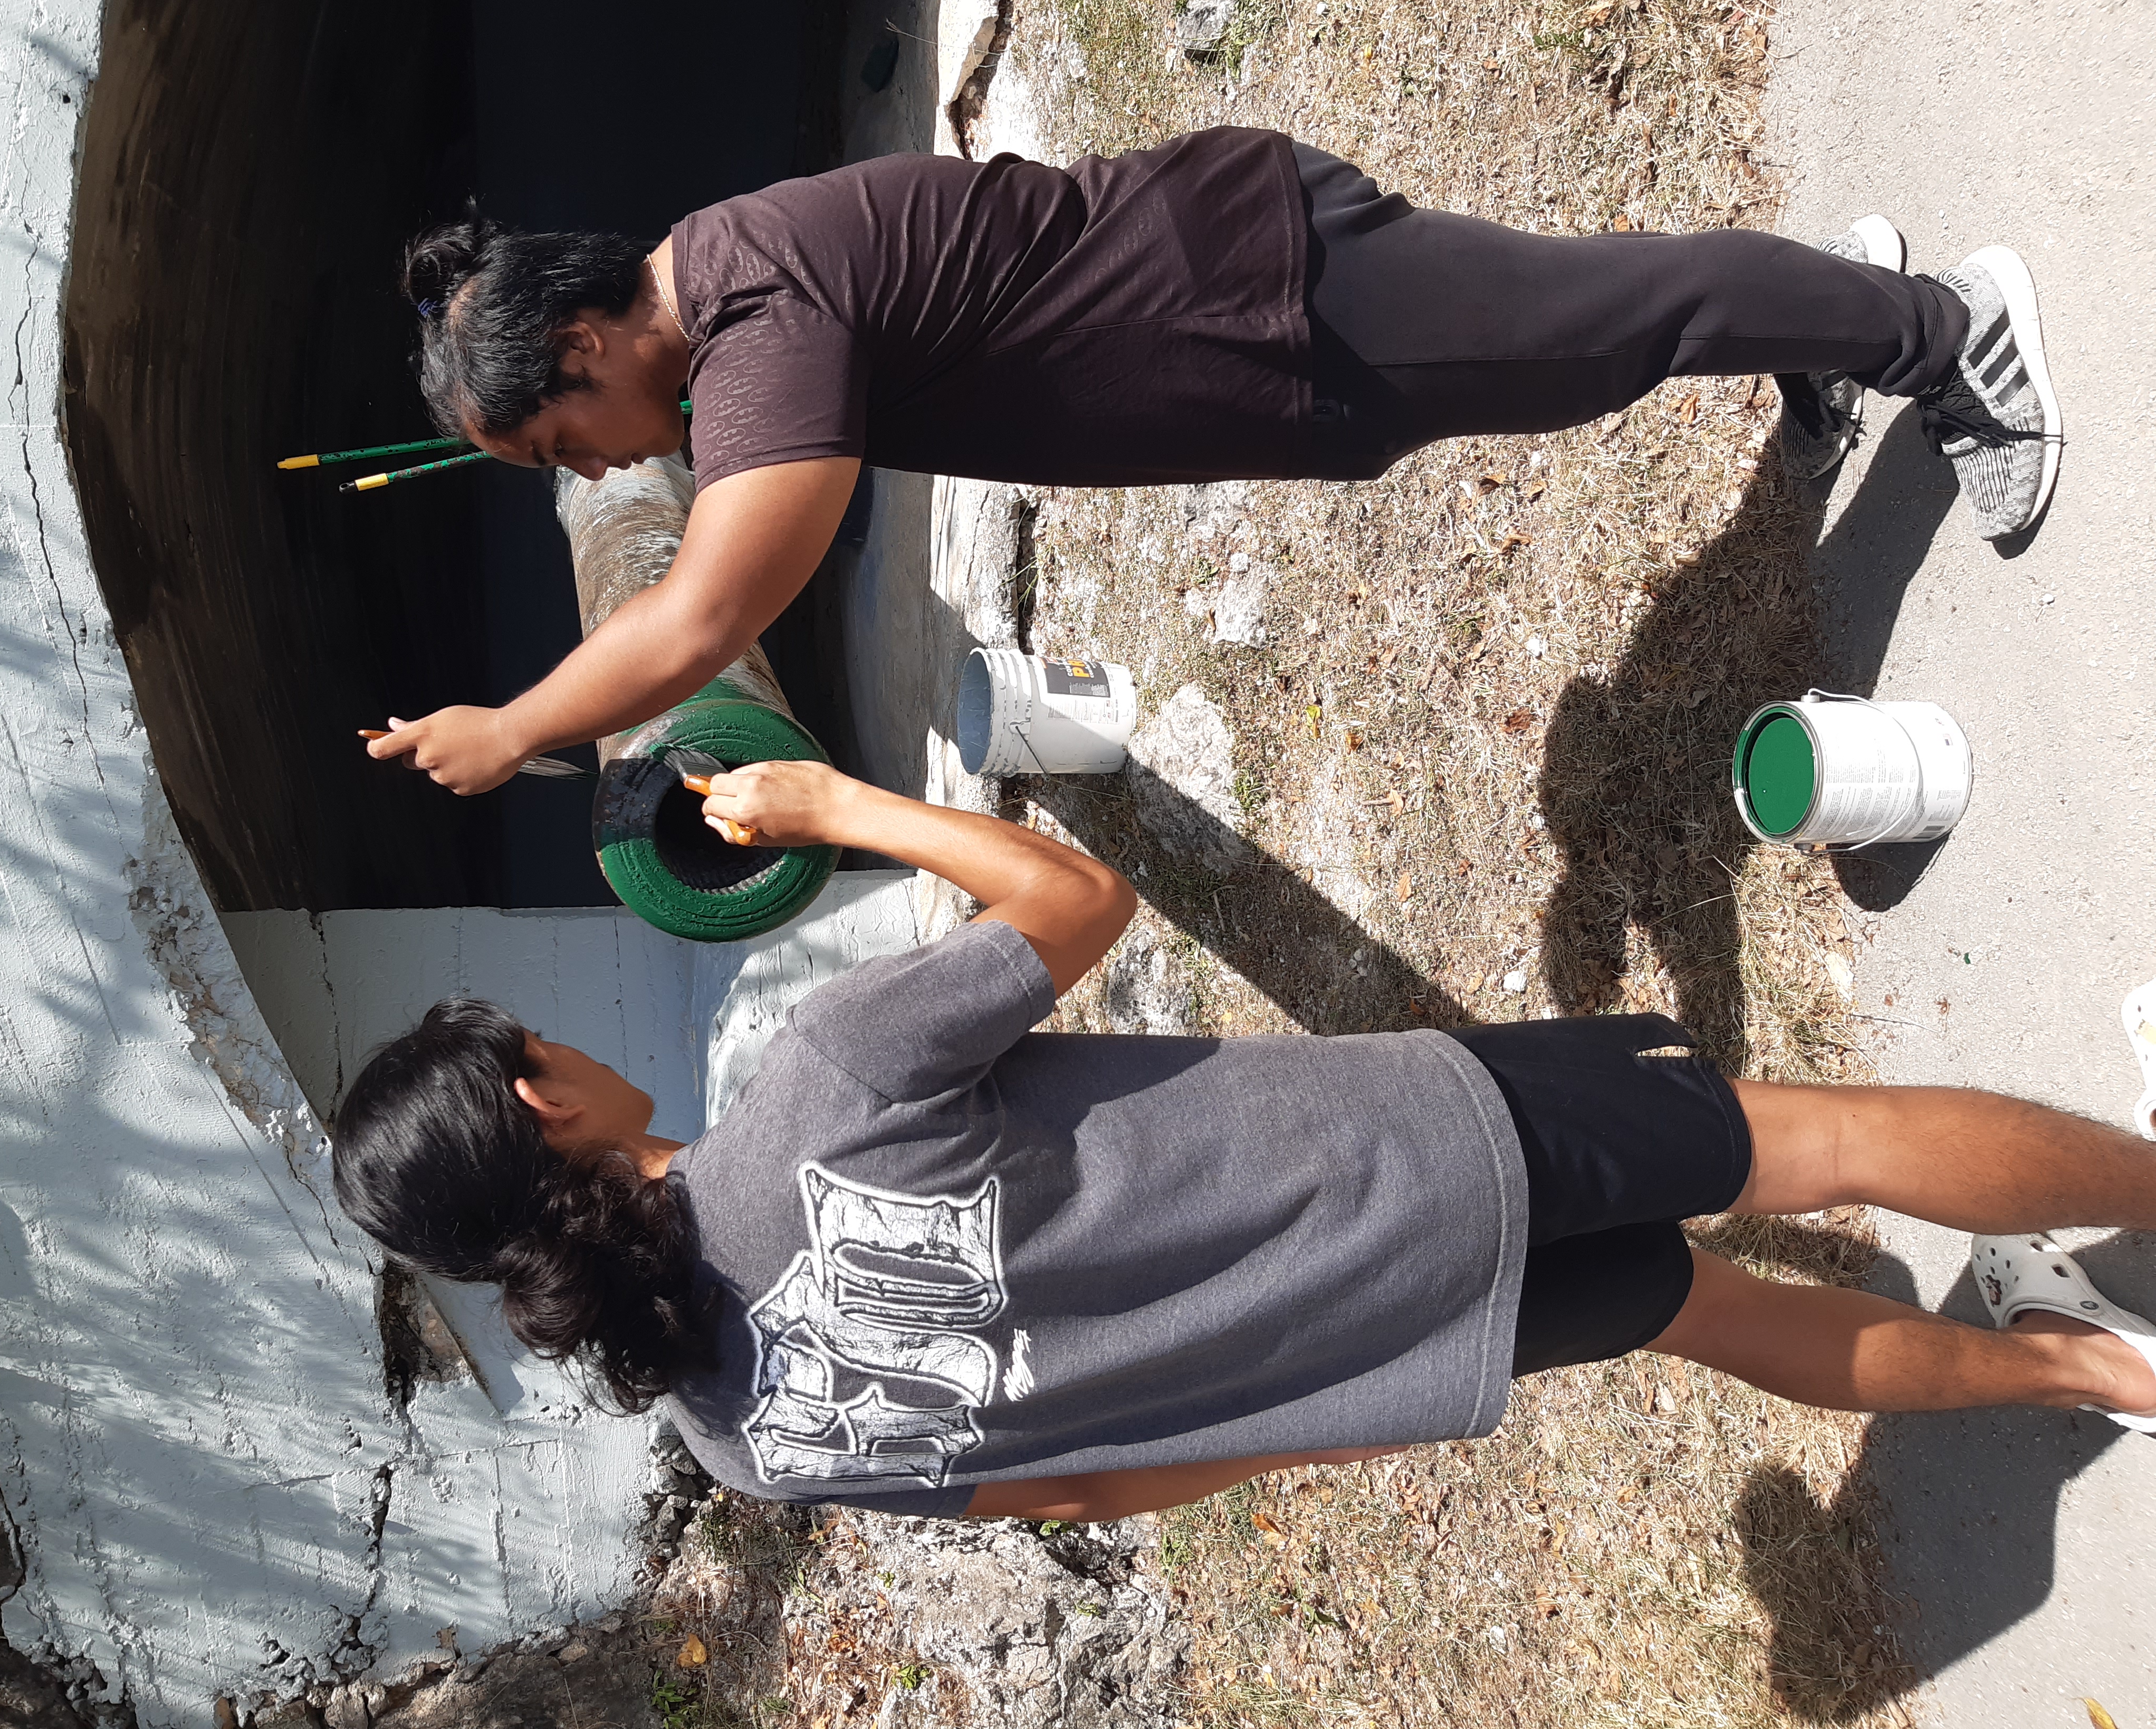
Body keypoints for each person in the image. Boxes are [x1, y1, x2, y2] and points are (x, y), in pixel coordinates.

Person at [329, 761, 2155, 1523]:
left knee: (1712, 1315)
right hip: (1415, 1152)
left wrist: (1318, 1416)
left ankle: (2091, 1371)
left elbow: (1079, 1490)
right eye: (534, 1044)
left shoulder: (746, 1448)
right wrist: (839, 804)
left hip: (1388, 1355)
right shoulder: (817, 1087)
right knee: (1815, 1143)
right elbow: (1077, 898)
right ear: (541, 1100)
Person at [366, 130, 2062, 797]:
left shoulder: (760, 325)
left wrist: (516, 725)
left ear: (581, 347)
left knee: (1598, 331)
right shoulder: (727, 280)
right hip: (1246, 306)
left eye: (561, 445)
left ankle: (1944, 331)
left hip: (1272, 303)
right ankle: (1824, 313)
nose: (596, 472)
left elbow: (711, 610)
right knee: (1592, 325)